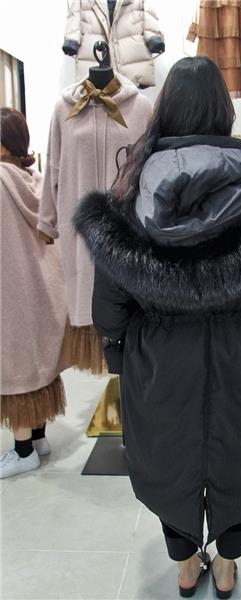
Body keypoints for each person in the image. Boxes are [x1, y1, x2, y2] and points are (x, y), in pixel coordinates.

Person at [74, 56, 241, 598]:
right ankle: (228, 563)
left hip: (158, 357)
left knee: (165, 456)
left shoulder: (131, 186)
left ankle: (186, 562)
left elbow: (109, 303)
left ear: (166, 110)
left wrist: (121, 355)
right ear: (224, 110)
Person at [0, 108, 68, 479]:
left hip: (13, 294)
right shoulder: (35, 178)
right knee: (38, 366)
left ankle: (23, 450)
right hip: (44, 292)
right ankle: (39, 438)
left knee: (17, 373)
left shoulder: (0, 181)